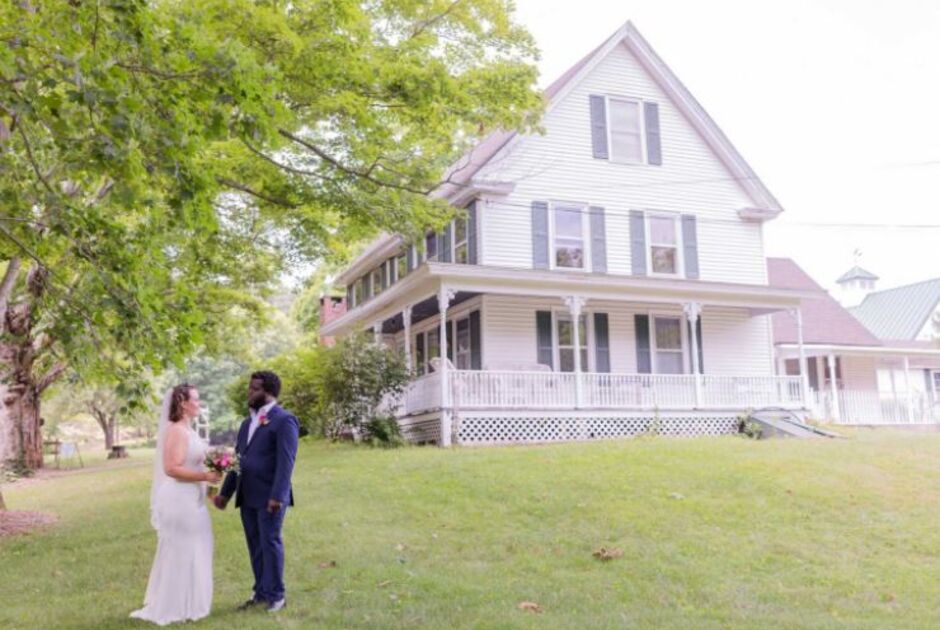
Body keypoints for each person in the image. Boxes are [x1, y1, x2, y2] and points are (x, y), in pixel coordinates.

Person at [131, 384, 219, 625]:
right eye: (196, 399)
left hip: (194, 498)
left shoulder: (188, 430)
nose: (199, 404)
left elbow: (196, 462)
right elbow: (171, 468)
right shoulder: (176, 431)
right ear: (183, 403)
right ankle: (175, 605)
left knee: (196, 547)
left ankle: (191, 603)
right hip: (180, 499)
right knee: (182, 549)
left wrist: (213, 480)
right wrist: (204, 476)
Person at [214, 371, 299, 613]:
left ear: (268, 392)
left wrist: (278, 496)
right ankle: (261, 593)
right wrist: (225, 494)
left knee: (270, 542)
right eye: (250, 388)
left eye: (255, 389)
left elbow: (286, 462)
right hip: (247, 493)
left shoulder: (284, 420)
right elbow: (238, 461)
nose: (249, 393)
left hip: (270, 496)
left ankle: (277, 596)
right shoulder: (246, 423)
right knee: (255, 545)